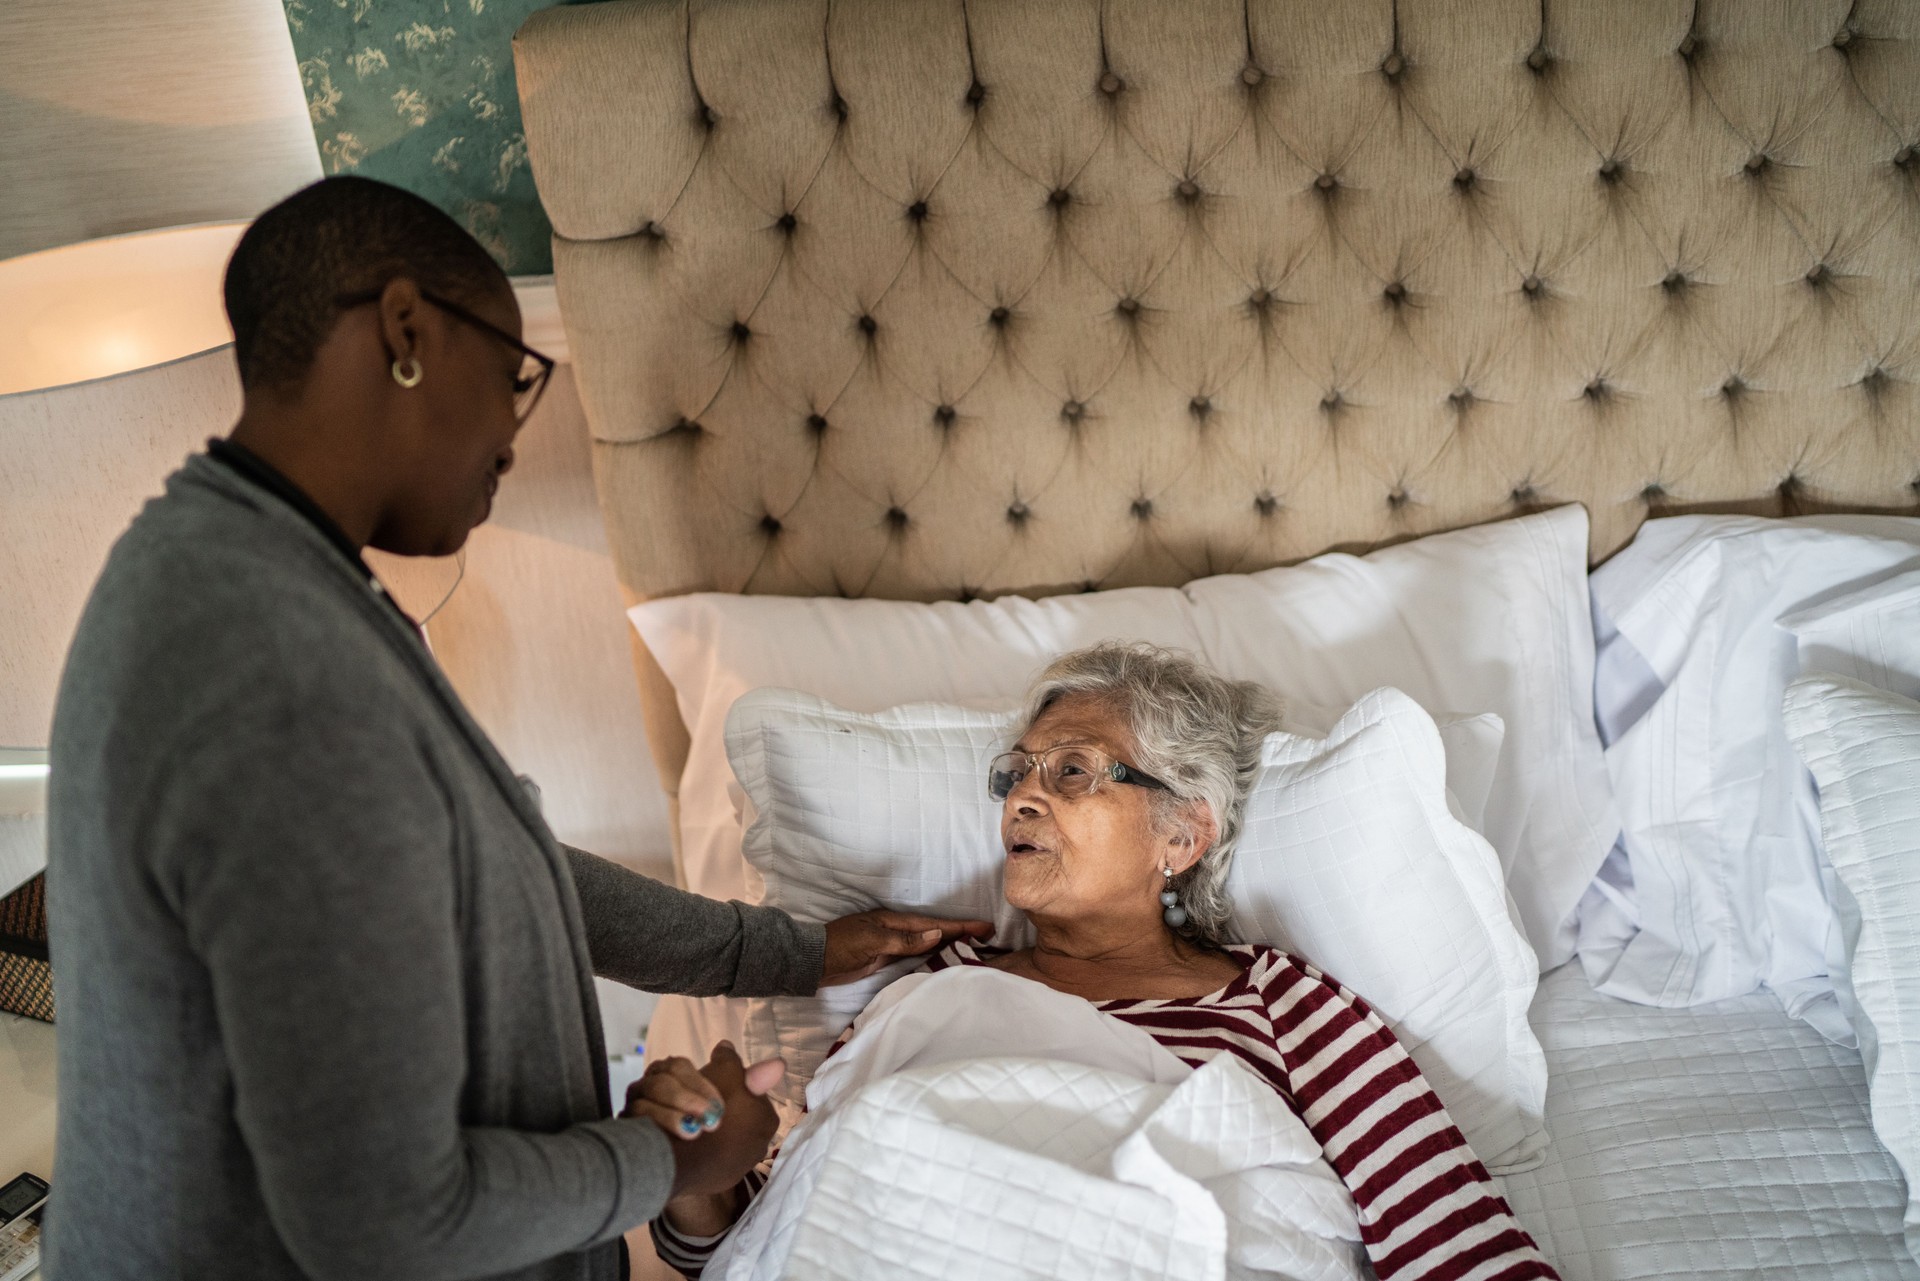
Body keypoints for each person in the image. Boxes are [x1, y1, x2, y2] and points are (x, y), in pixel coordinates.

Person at [43, 176, 988, 1281]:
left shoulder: (258, 579)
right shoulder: (269, 671)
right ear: (406, 332)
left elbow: (494, 866)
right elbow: (385, 1221)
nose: (511, 432)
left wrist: (784, 949)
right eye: (514, 372)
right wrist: (671, 1158)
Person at [644, 642, 1560, 1281]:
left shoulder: (1286, 999)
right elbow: (788, 1227)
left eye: (1073, 770)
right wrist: (699, 1176)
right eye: (1016, 775)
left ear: (1182, 831)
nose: (1022, 801)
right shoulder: (938, 986)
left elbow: (1450, 1235)